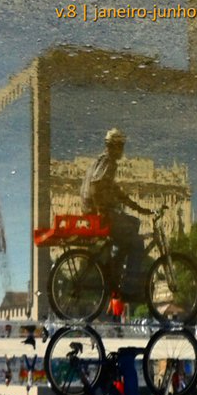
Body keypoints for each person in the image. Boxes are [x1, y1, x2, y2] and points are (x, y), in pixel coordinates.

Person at [80, 129, 154, 300]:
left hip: (90, 210)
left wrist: (139, 209)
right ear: (114, 146)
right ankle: (129, 287)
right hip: (97, 212)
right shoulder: (109, 162)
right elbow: (95, 185)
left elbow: (116, 192)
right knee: (137, 243)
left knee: (134, 223)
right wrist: (101, 210)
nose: (122, 149)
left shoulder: (98, 161)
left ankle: (115, 266)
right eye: (121, 145)